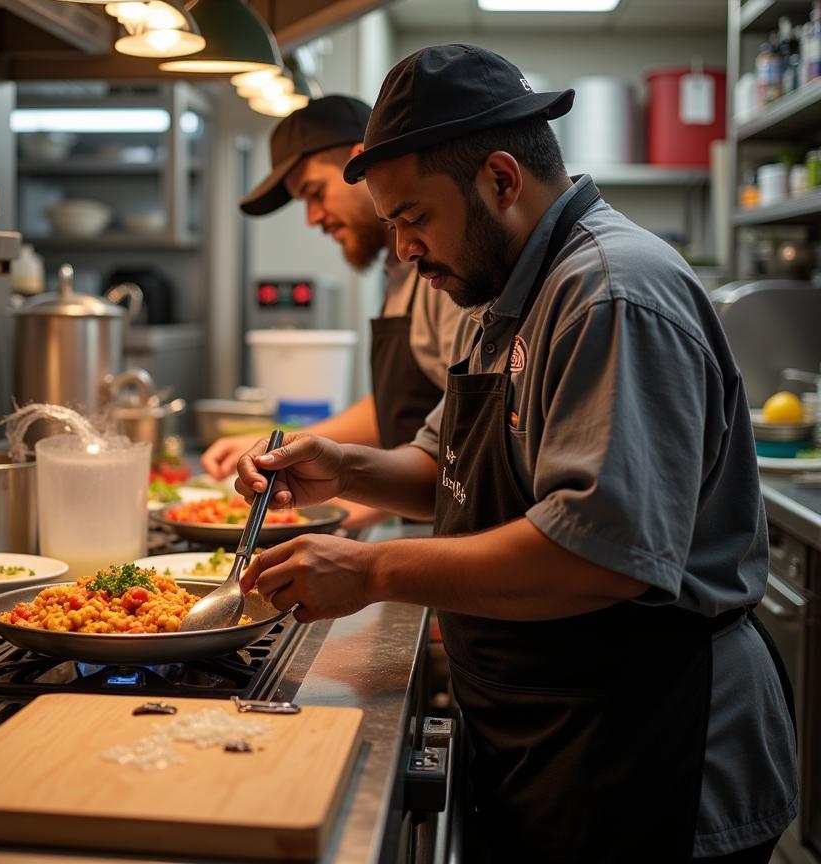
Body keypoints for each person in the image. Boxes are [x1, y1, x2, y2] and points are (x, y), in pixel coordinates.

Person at [235, 45, 798, 863]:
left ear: (501, 180)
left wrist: (372, 574)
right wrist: (343, 465)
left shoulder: (610, 293)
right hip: (556, 726)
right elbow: (445, 471)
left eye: (414, 218)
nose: (401, 250)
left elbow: (599, 557)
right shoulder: (501, 292)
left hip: (650, 744)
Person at [202, 94, 470, 527]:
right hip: (424, 516)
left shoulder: (443, 276)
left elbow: (468, 435)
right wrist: (285, 445)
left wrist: (350, 503)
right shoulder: (398, 271)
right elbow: (400, 409)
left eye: (314, 192)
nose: (311, 218)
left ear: (359, 165)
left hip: (450, 529)